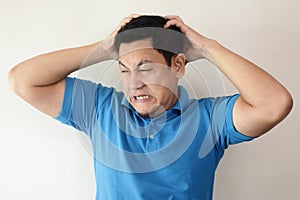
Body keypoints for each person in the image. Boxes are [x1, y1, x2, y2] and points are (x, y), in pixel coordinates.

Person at [8, 14, 293, 199]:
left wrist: (207, 48)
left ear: (178, 65)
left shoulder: (209, 119)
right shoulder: (100, 108)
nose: (133, 84)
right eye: (123, 69)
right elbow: (22, 80)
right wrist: (104, 47)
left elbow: (274, 104)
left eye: (145, 68)